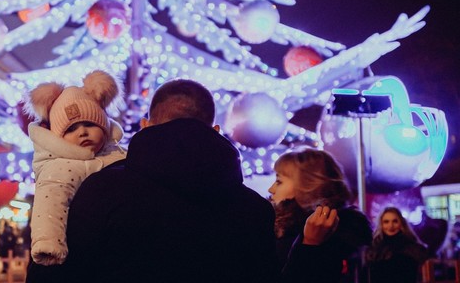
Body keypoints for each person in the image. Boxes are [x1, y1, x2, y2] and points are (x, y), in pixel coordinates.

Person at [26, 78, 340, 283]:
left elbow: (55, 274)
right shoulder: (254, 211)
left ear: (147, 126)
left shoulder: (101, 190)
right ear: (215, 131)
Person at [24, 70, 126, 266]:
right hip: (80, 254)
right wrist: (48, 244)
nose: (83, 132)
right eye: (71, 129)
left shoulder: (119, 154)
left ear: (104, 126)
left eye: (90, 124)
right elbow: (49, 204)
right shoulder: (61, 167)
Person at [268, 147, 373, 283]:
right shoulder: (278, 227)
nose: (271, 189)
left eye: (279, 181)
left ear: (307, 186)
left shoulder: (341, 234)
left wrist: (309, 245)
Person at [365, 206, 428, 283]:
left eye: (395, 221)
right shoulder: (374, 247)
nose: (391, 226)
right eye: (386, 222)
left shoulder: (411, 247)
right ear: (381, 224)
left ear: (401, 223)